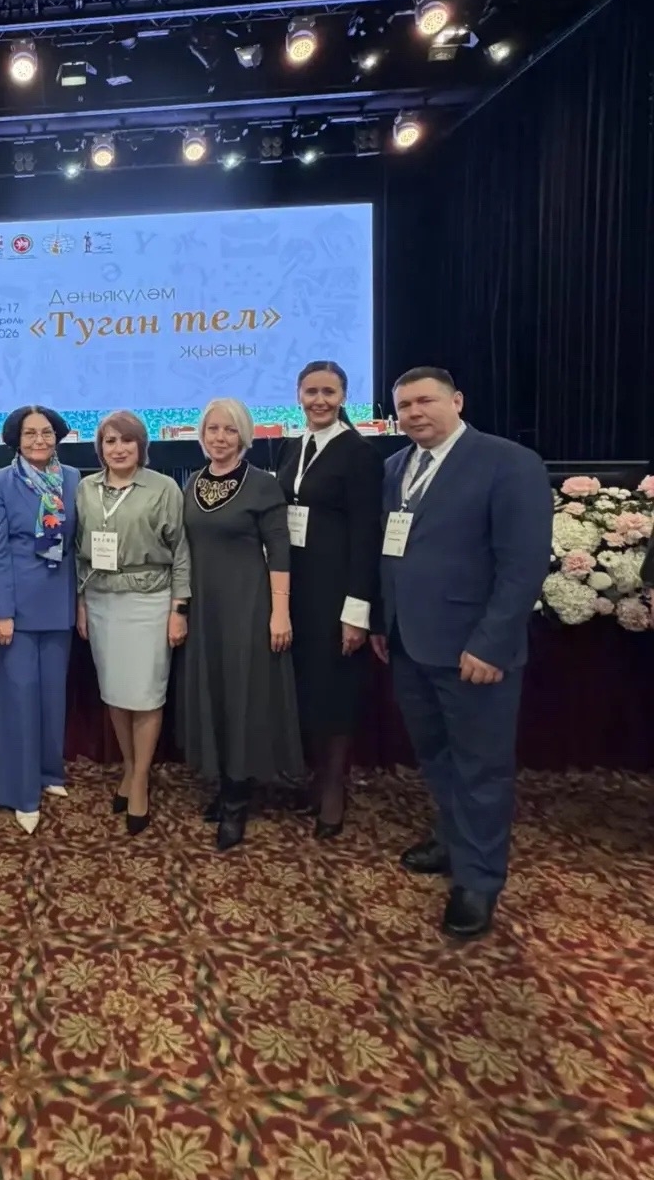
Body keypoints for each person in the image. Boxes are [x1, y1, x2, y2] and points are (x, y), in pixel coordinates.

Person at [371, 366, 552, 941]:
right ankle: (455, 840)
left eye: (425, 401)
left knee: (480, 767)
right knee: (436, 755)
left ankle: (478, 881)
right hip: (408, 643)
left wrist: (491, 643)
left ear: (457, 401)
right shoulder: (394, 467)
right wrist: (382, 623)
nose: (414, 413)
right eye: (404, 406)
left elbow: (523, 565)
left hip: (473, 649)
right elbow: (390, 553)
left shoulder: (509, 463)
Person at [180, 398, 305, 850]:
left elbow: (280, 551)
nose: (220, 437)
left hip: (248, 606)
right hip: (205, 607)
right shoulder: (192, 482)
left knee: (243, 693)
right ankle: (223, 780)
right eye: (212, 429)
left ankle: (237, 796)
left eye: (229, 430)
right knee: (215, 689)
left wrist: (280, 611)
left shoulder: (262, 485)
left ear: (244, 436)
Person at [276, 361, 383, 837]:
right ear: (298, 395)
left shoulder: (359, 452)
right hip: (297, 589)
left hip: (337, 592)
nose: (319, 400)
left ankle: (335, 786)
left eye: (329, 392)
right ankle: (316, 778)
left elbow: (366, 534)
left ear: (343, 396)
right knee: (307, 687)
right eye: (311, 391)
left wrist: (357, 610)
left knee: (336, 689)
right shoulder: (291, 446)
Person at [75, 409, 188, 834]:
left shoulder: (163, 487)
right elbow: (78, 550)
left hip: (149, 601)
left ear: (142, 446)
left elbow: (181, 551)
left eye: (127, 440)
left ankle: (140, 779)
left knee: (146, 694)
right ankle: (128, 765)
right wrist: (80, 602)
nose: (119, 448)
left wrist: (179, 609)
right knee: (115, 692)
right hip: (101, 599)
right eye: (110, 441)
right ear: (100, 448)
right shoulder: (86, 488)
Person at [0, 406, 80, 834]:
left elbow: (78, 545)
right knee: (19, 701)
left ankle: (48, 772)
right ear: (15, 440)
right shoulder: (0, 483)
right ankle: (20, 792)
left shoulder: (73, 479)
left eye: (46, 432)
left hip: (59, 600)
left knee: (52, 696)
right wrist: (1, 611)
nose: (39, 440)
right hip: (17, 608)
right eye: (29, 433)